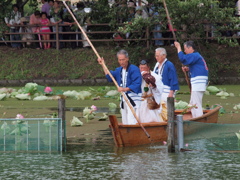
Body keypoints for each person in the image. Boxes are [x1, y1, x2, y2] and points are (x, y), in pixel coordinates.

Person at [97, 49, 142, 125]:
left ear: (127, 58)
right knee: (124, 119)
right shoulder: (119, 70)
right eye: (120, 60)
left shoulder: (134, 69)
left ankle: (132, 134)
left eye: (123, 60)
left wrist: (124, 89)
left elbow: (137, 83)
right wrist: (103, 65)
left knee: (131, 119)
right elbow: (110, 76)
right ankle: (126, 134)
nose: (122, 62)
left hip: (133, 99)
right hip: (124, 99)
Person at [174, 41, 208, 118]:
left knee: (196, 103)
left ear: (190, 48)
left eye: (185, 49)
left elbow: (183, 59)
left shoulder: (195, 55)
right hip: (199, 82)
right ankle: (195, 117)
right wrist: (188, 69)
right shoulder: (197, 56)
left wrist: (178, 48)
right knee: (193, 103)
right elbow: (198, 67)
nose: (185, 51)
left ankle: (199, 119)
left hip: (198, 82)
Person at [153, 47, 179, 121]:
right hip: (158, 90)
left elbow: (173, 79)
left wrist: (171, 93)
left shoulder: (169, 65)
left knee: (166, 109)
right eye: (156, 56)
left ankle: (169, 122)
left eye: (158, 56)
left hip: (167, 91)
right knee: (158, 109)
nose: (156, 57)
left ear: (164, 55)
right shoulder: (157, 65)